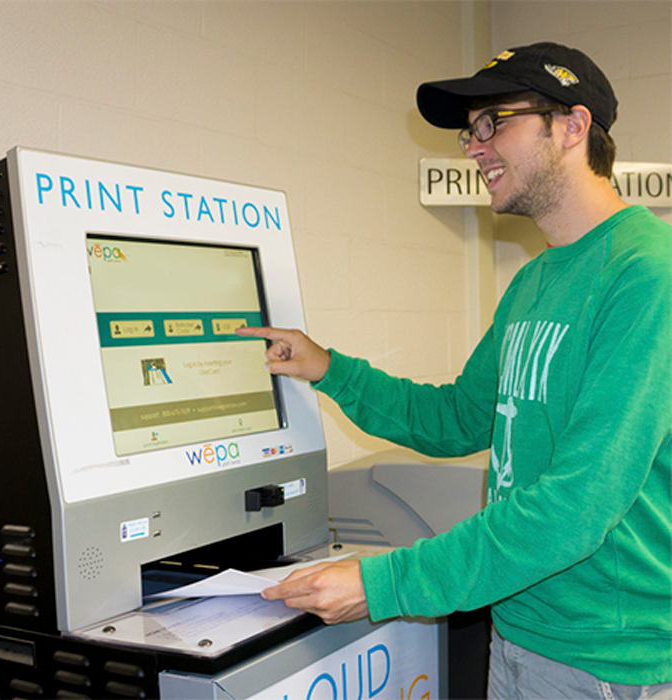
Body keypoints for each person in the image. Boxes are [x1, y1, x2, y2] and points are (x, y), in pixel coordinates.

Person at [238, 42, 672, 698]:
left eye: (494, 122)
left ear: (573, 126)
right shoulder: (534, 282)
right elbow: (455, 418)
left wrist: (382, 584)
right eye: (471, 131)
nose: (473, 147)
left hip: (600, 656)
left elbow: (578, 504)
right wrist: (327, 368)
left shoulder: (645, 274)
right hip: (520, 625)